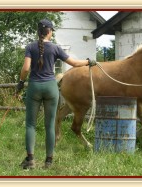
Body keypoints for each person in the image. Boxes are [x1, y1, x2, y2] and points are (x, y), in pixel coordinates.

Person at [16, 19, 96, 169]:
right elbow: (73, 63)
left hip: (34, 87)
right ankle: (48, 161)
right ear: (50, 31)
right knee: (50, 125)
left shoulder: (30, 47)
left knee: (31, 125)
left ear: (38, 32)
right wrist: (88, 61)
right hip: (51, 88)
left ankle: (30, 159)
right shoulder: (55, 48)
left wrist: (21, 82)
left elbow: (26, 68)